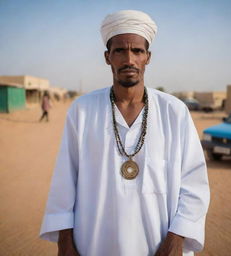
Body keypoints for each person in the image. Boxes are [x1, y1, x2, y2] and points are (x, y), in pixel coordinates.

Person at [40, 10, 210, 256]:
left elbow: (194, 183)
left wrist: (176, 239)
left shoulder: (174, 111)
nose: (129, 59)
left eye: (137, 51)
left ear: (148, 57)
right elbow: (65, 181)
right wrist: (64, 242)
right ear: (108, 57)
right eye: (120, 50)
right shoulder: (83, 110)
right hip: (94, 244)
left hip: (160, 246)